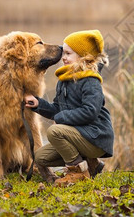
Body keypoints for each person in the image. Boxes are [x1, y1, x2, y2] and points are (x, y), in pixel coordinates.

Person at [24, 29, 114, 185]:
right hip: (80, 135)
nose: (63, 57)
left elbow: (90, 112)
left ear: (83, 56)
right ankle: (91, 163)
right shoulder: (64, 80)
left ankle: (78, 171)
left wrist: (60, 119)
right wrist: (38, 104)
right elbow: (58, 109)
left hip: (95, 137)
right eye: (63, 53)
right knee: (40, 157)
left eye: (68, 54)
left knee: (54, 131)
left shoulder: (91, 81)